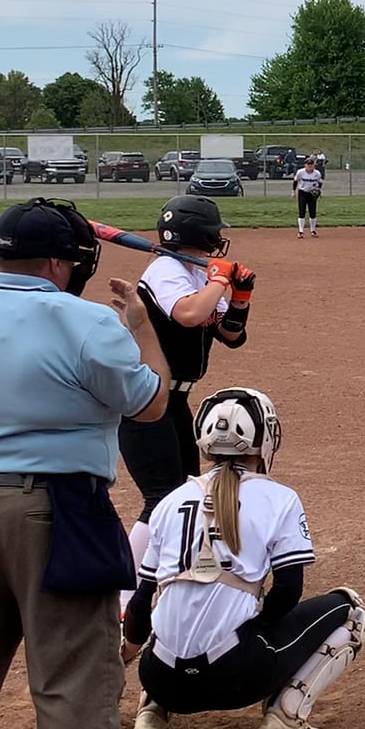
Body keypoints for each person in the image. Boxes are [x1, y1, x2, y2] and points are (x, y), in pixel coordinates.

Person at [0, 197, 171, 729]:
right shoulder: (87, 320)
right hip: (60, 513)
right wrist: (142, 327)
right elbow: (152, 403)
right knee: (75, 686)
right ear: (55, 263)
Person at [126, 387, 365, 729]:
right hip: (237, 679)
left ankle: (150, 715)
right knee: (351, 611)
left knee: (168, 603)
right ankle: (284, 719)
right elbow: (287, 592)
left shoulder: (170, 501)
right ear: (263, 438)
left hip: (162, 680)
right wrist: (253, 627)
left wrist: (122, 656)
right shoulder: (279, 499)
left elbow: (138, 607)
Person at [120, 197, 255, 605]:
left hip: (175, 401)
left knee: (184, 495)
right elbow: (189, 315)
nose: (219, 238)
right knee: (161, 497)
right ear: (200, 233)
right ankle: (123, 596)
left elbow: (230, 334)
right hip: (147, 399)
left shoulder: (195, 274)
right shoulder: (166, 271)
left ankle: (170, 576)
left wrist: (240, 297)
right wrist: (219, 280)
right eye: (215, 231)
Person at [293, 155, 324, 238]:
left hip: (312, 194)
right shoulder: (300, 172)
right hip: (302, 193)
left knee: (312, 212)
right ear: (305, 165)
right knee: (302, 212)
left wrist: (318, 190)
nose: (309, 166)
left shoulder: (317, 173)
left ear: (314, 165)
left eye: (311, 164)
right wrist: (293, 191)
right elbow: (295, 181)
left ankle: (313, 231)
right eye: (308, 164)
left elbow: (320, 182)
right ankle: (301, 231)